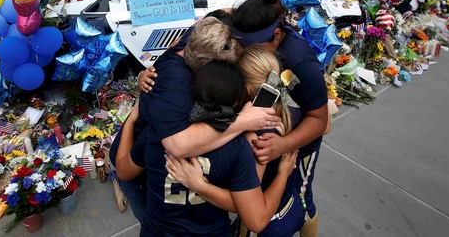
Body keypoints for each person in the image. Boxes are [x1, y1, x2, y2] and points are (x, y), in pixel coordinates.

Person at [112, 16, 280, 224]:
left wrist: (130, 117)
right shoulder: (236, 145)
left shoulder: (197, 42)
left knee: (149, 217)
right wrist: (243, 123)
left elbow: (217, 15)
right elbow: (250, 212)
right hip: (140, 172)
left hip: (145, 181)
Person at [117, 60, 297, 236]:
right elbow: (253, 214)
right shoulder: (241, 147)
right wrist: (282, 174)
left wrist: (131, 120)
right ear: (237, 102)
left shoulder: (161, 133)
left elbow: (123, 172)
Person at [167, 47, 305, 237]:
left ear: (244, 91)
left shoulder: (255, 138)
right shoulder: (290, 105)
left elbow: (248, 209)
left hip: (268, 226)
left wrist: (199, 185)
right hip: (292, 205)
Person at [231, 0, 329, 237]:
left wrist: (284, 145)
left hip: (298, 144)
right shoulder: (253, 34)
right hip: (270, 136)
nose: (244, 54)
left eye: (251, 49)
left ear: (276, 37)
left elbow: (320, 120)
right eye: (240, 46)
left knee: (301, 197)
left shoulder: (300, 60)